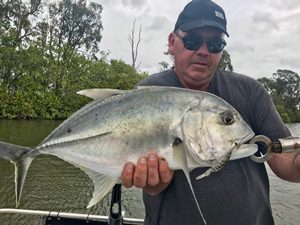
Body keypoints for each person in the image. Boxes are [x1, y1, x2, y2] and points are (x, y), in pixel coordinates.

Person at [120, 0, 300, 224]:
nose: (203, 51)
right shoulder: (147, 94)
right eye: (193, 41)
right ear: (172, 42)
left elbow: (287, 163)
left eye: (214, 44)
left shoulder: (250, 91)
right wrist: (153, 182)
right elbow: (152, 183)